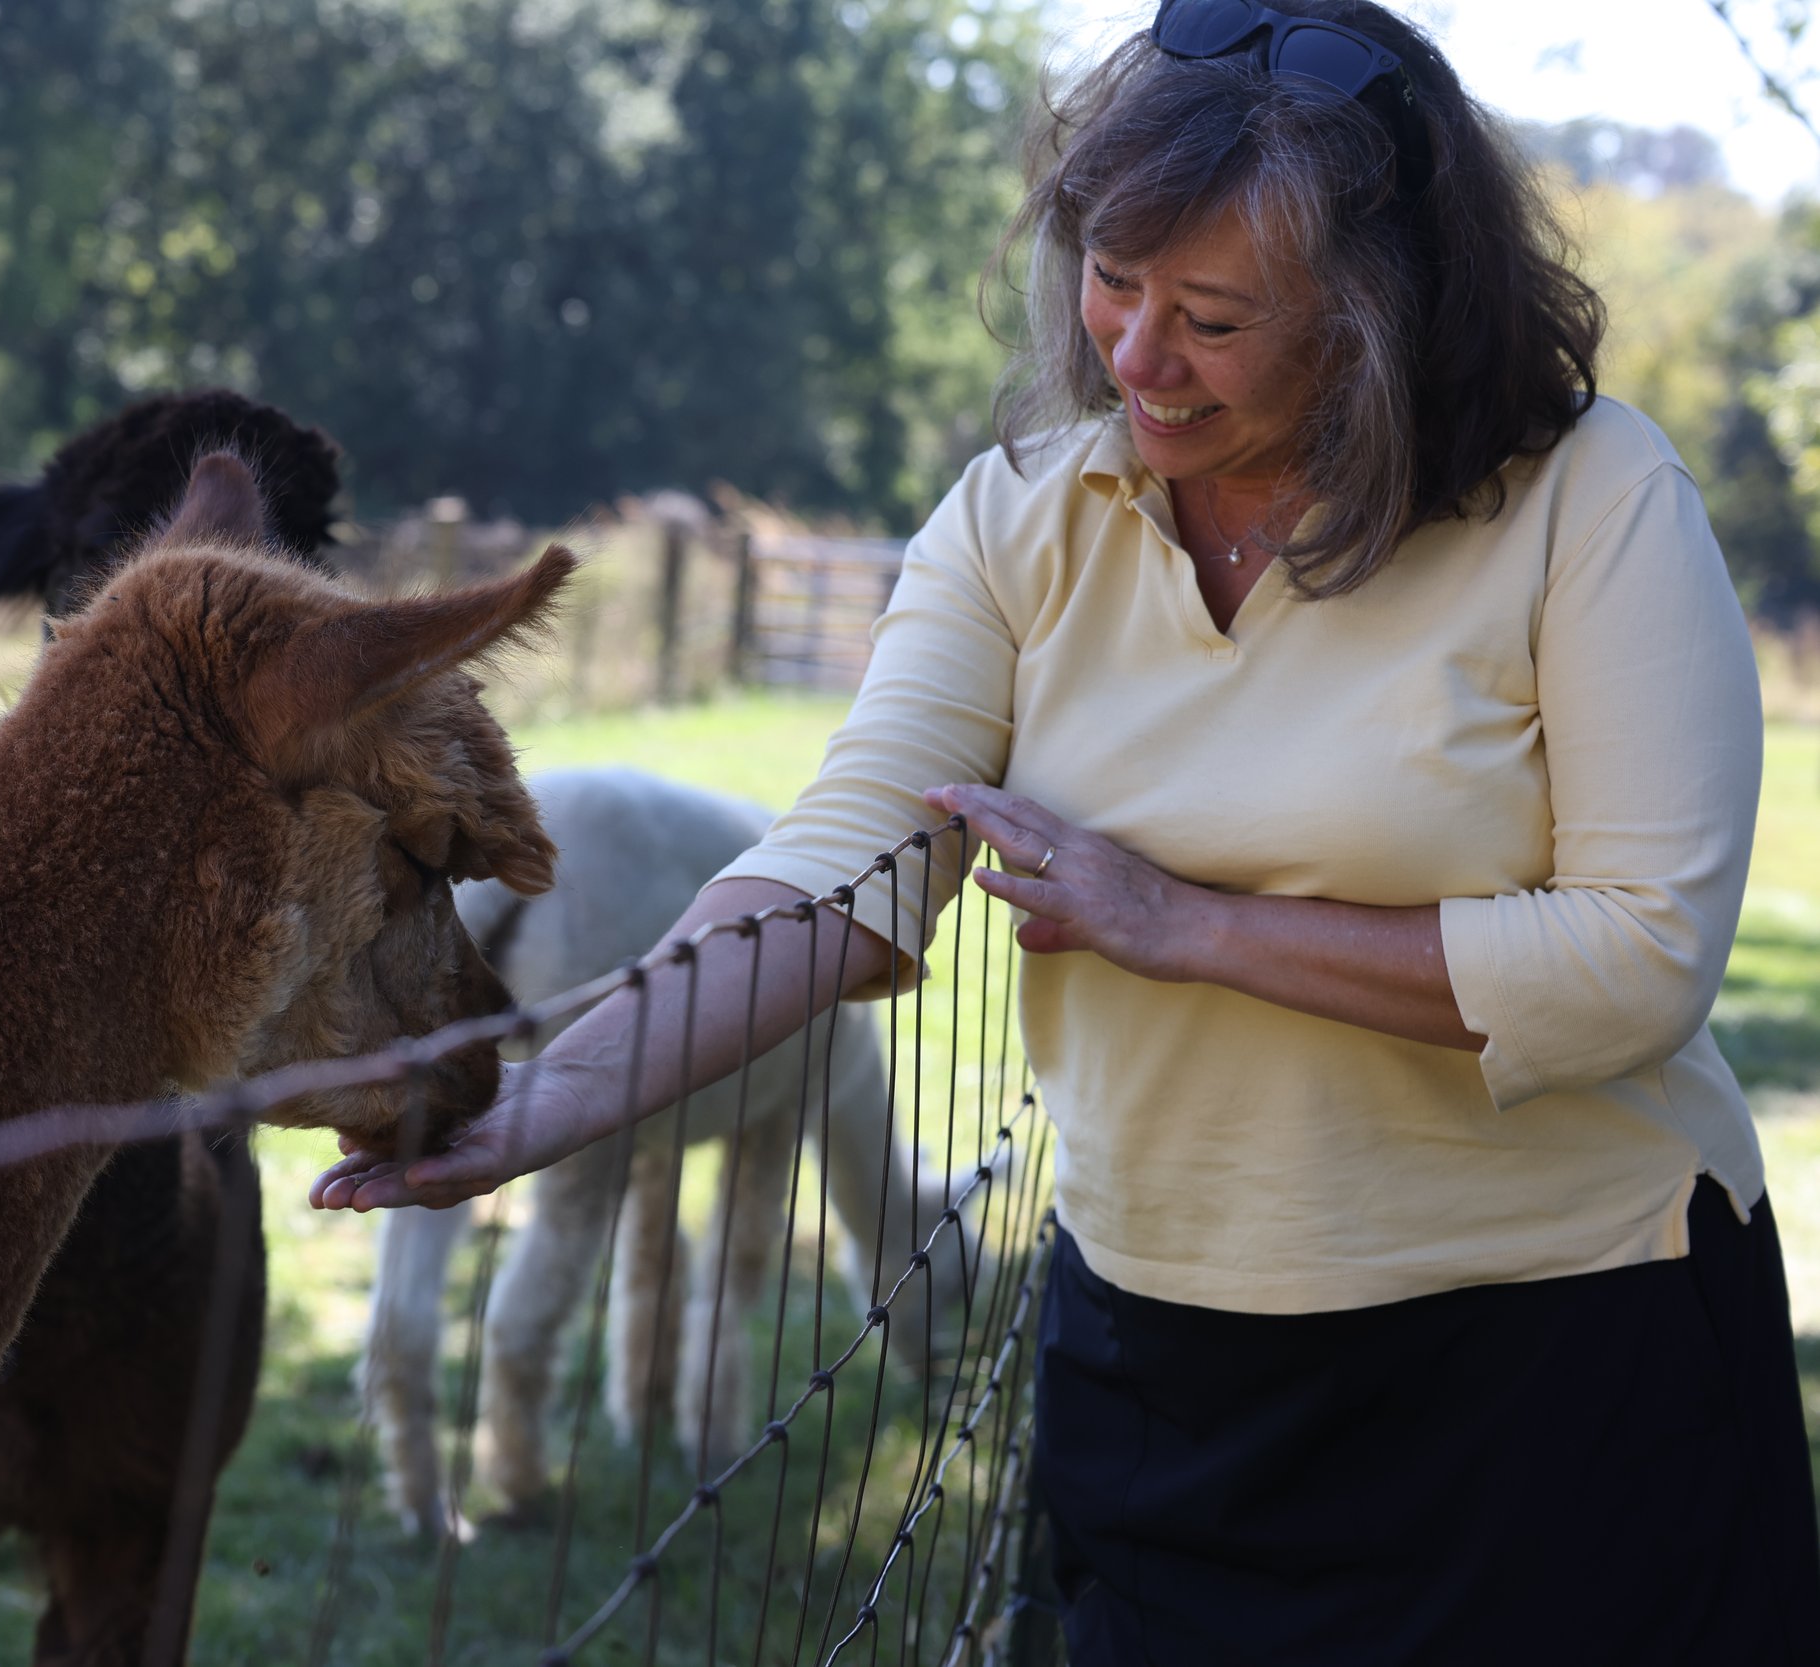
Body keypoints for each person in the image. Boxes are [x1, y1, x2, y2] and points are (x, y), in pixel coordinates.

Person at [313, 0, 1820, 1657]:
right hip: (1166, 1370)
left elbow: (1642, 960)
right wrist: (552, 1095)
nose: (1134, 355)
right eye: (1112, 279)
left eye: (1214, 316)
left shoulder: (1591, 498)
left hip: (1561, 1364)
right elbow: (846, 864)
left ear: (1382, 314)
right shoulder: (1020, 519)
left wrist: (1184, 924)